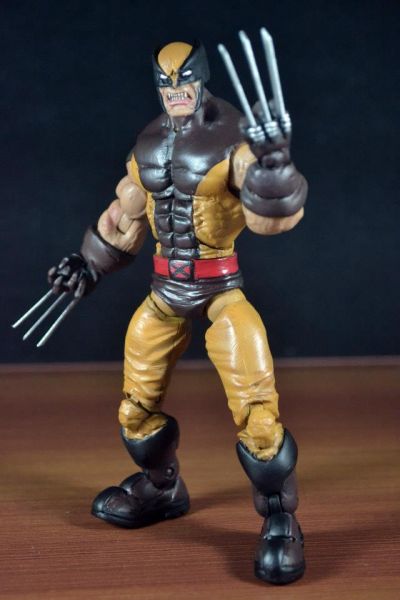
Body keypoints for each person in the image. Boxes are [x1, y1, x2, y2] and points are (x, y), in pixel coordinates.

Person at [43, 38, 308, 584]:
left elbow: (270, 217)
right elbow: (126, 216)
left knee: (258, 415)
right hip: (165, 289)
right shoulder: (146, 146)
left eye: (184, 81)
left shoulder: (233, 141)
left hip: (221, 287)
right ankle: (163, 488)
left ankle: (280, 519)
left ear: (201, 80)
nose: (176, 91)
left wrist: (276, 174)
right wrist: (89, 263)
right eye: (166, 83)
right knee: (134, 407)